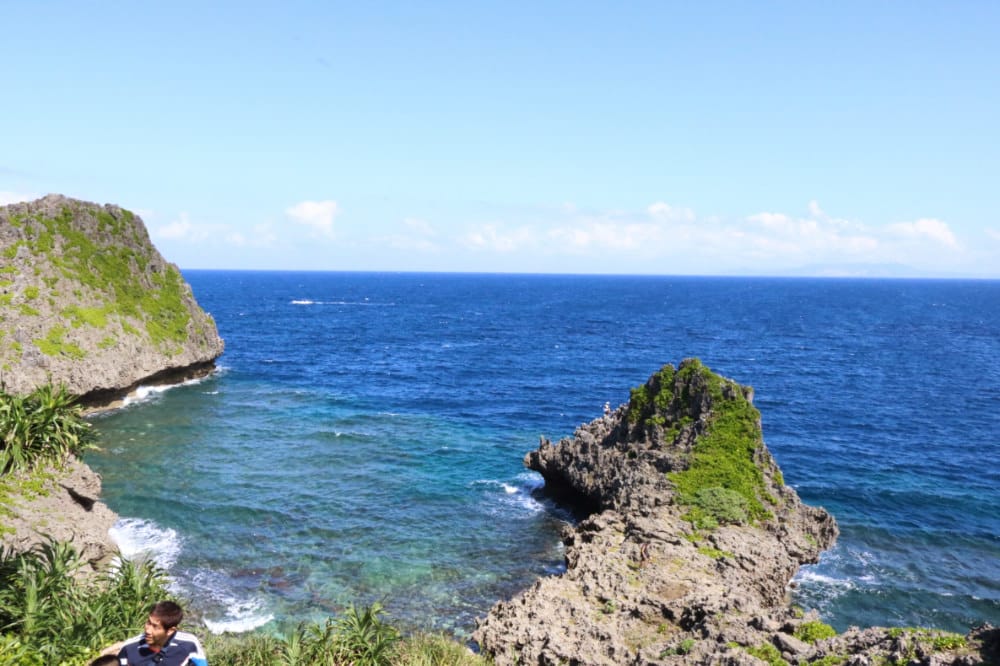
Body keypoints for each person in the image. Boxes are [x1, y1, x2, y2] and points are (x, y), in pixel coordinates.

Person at [117, 600, 208, 666]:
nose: (148, 630)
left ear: (170, 630)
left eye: (155, 627)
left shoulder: (189, 644)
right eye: (148, 623)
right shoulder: (129, 648)